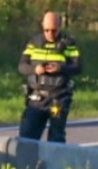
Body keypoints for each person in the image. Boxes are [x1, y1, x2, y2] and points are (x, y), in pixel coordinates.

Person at [17, 11, 82, 143]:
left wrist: (61, 68)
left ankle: (55, 163)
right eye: (46, 30)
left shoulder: (68, 44)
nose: (50, 34)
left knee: (56, 138)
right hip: (36, 98)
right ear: (42, 26)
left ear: (59, 26)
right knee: (27, 137)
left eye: (54, 30)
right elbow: (21, 66)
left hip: (58, 97)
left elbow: (78, 67)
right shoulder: (34, 43)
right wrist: (35, 69)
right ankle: (28, 164)